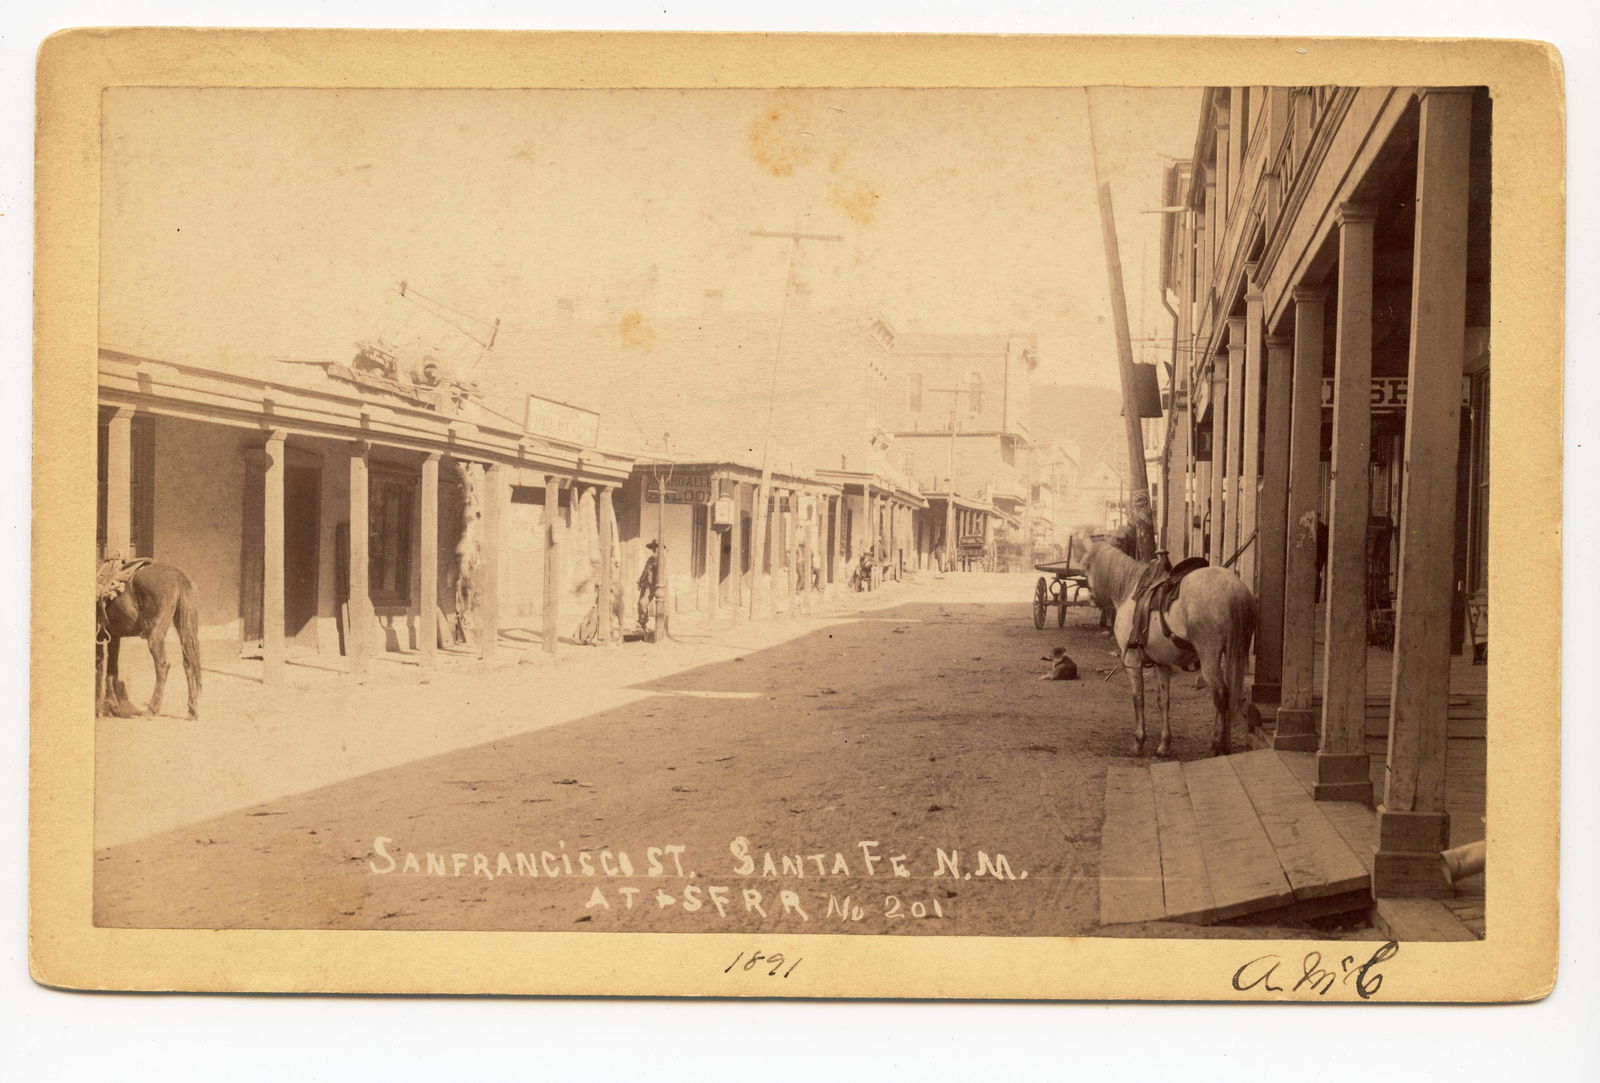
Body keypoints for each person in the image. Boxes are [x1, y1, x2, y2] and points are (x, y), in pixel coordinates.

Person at [636, 540, 659, 629]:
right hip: (644, 585)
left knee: (643, 602)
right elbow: (645, 571)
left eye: (656, 547)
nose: (654, 548)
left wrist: (657, 558)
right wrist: (640, 580)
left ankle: (643, 621)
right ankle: (642, 623)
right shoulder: (650, 558)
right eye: (653, 547)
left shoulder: (659, 559)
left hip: (651, 586)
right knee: (639, 603)